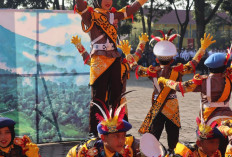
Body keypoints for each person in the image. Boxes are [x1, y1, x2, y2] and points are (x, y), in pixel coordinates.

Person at [129, 31, 215, 153]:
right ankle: (172, 153)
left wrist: (140, 45)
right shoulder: (178, 70)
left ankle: (153, 153)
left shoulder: (152, 71)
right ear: (172, 59)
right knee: (173, 133)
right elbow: (192, 64)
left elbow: (134, 66)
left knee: (154, 133)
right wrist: (202, 48)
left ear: (157, 59)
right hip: (172, 105)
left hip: (157, 105)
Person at [74, 0, 148, 138]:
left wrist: (140, 2)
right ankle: (94, 132)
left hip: (115, 59)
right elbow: (80, 6)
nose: (108, 2)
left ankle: (118, 128)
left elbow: (129, 11)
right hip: (99, 60)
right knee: (98, 98)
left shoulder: (113, 15)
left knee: (117, 96)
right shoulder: (90, 15)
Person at [158, 51, 232, 155]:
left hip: (210, 120)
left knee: (204, 144)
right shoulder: (229, 78)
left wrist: (165, 81)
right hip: (228, 117)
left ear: (209, 68)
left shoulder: (203, 81)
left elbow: (180, 87)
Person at [71, 33, 149, 121]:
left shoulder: (103, 64)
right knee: (118, 121)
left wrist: (79, 46)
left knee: (110, 121)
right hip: (116, 98)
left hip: (108, 98)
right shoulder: (125, 63)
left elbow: (89, 60)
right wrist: (142, 42)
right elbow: (137, 56)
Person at [66, 103, 141, 157]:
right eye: (116, 136)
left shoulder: (124, 144)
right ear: (103, 138)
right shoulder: (88, 151)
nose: (121, 140)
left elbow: (140, 143)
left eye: (123, 136)